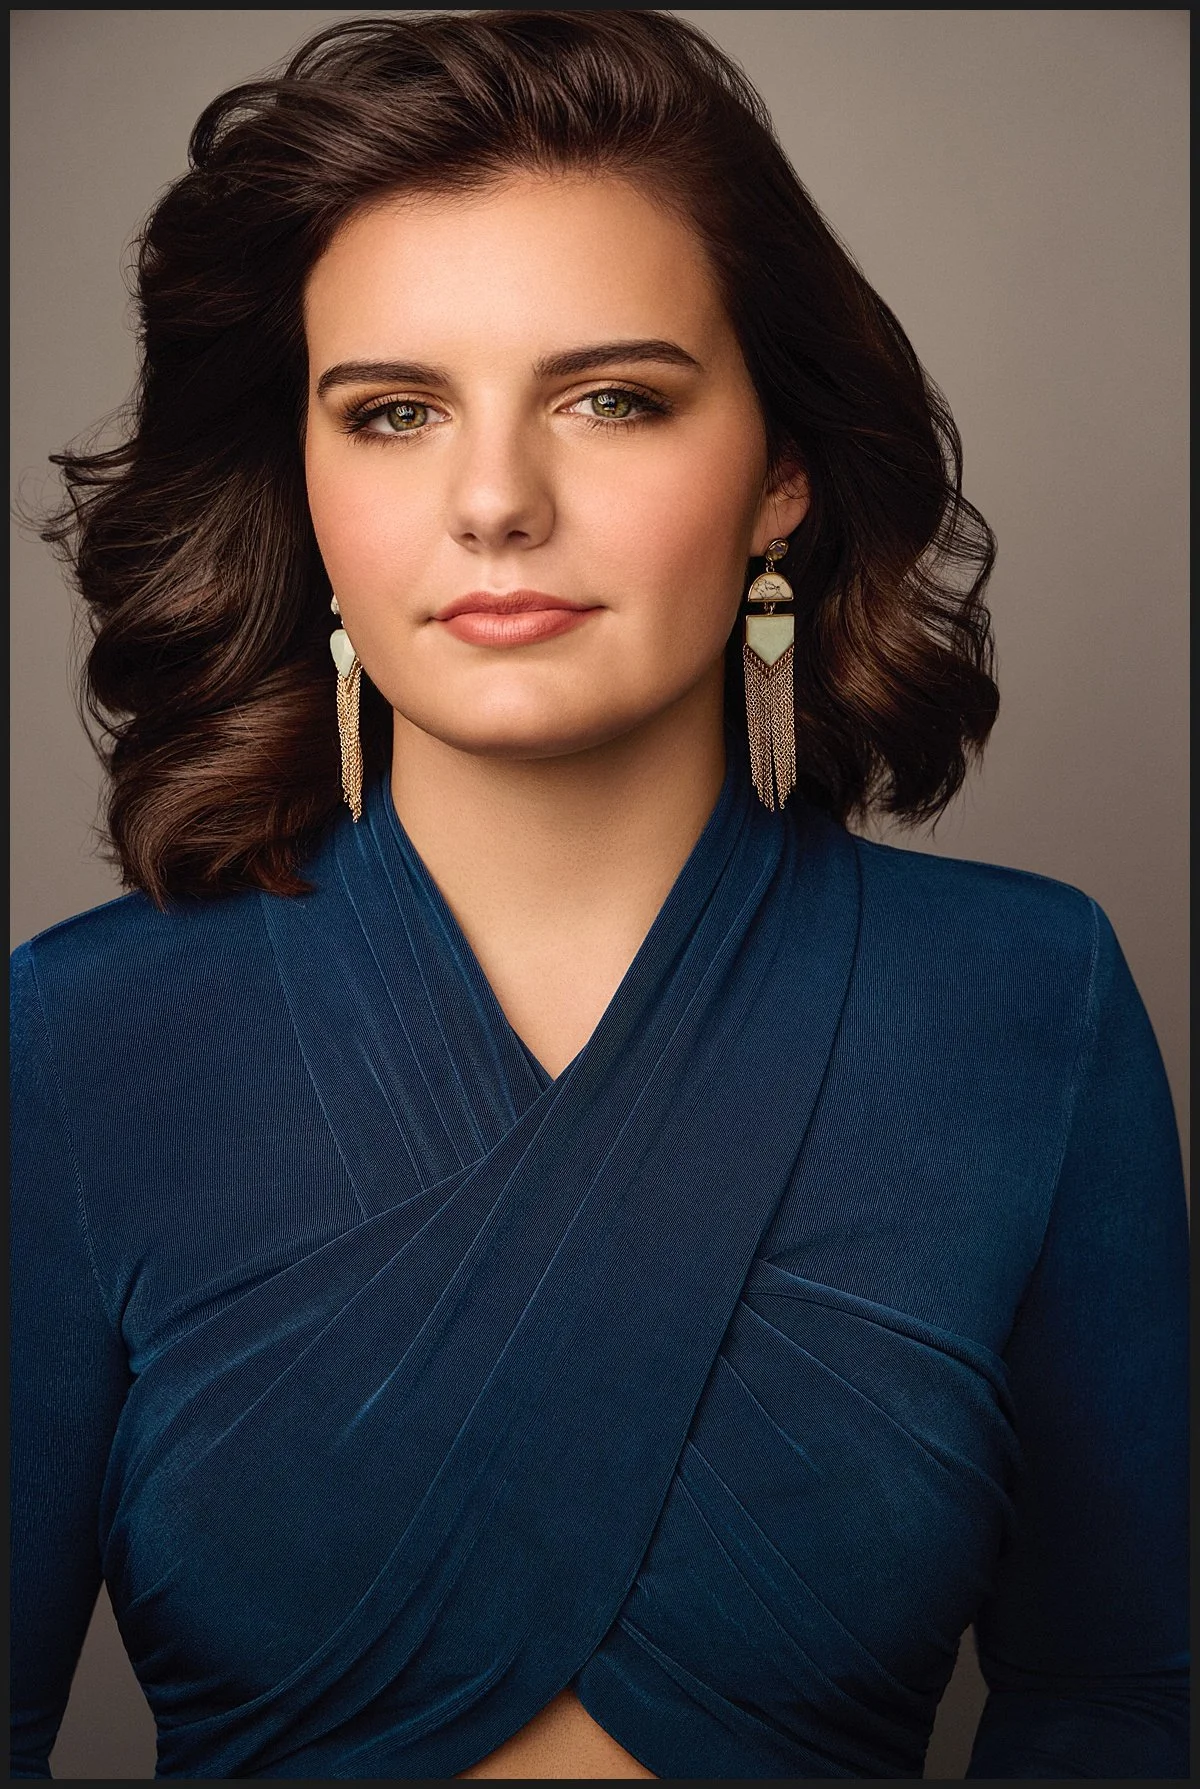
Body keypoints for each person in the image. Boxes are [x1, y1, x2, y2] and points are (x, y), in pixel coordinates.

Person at [9, 10, 1187, 1781]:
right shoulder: (83, 1039)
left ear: (780, 471)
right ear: (302, 481)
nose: (495, 502)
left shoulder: (1033, 1003)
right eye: (394, 413)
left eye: (612, 398)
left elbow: (1125, 1700)